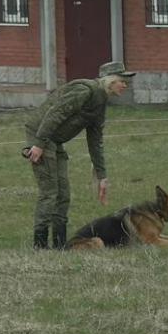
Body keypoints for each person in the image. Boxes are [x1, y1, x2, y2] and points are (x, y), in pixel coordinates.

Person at [23, 61, 133, 249]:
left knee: (63, 194)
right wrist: (39, 144)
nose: (125, 85)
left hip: (54, 141)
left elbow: (95, 139)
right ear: (110, 81)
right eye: (122, 81)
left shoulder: (100, 101)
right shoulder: (85, 91)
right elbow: (55, 114)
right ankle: (40, 246)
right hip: (41, 136)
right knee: (50, 193)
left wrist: (102, 175)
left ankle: (59, 245)